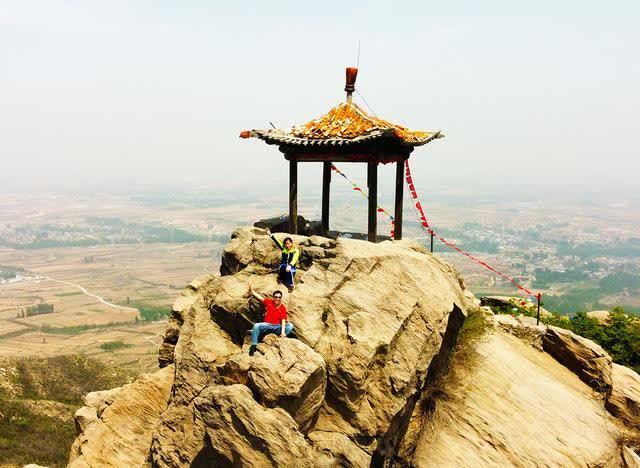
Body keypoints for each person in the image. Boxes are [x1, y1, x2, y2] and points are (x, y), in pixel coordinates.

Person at [248, 286, 294, 356]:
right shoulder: (269, 302)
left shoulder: (282, 308)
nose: (277, 299)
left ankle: (280, 340)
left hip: (277, 327)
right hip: (266, 325)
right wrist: (252, 290)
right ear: (273, 297)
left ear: (281, 298)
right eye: (276, 297)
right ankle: (253, 346)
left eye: (279, 297)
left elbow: (283, 320)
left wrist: (282, 332)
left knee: (290, 326)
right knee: (256, 325)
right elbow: (260, 298)